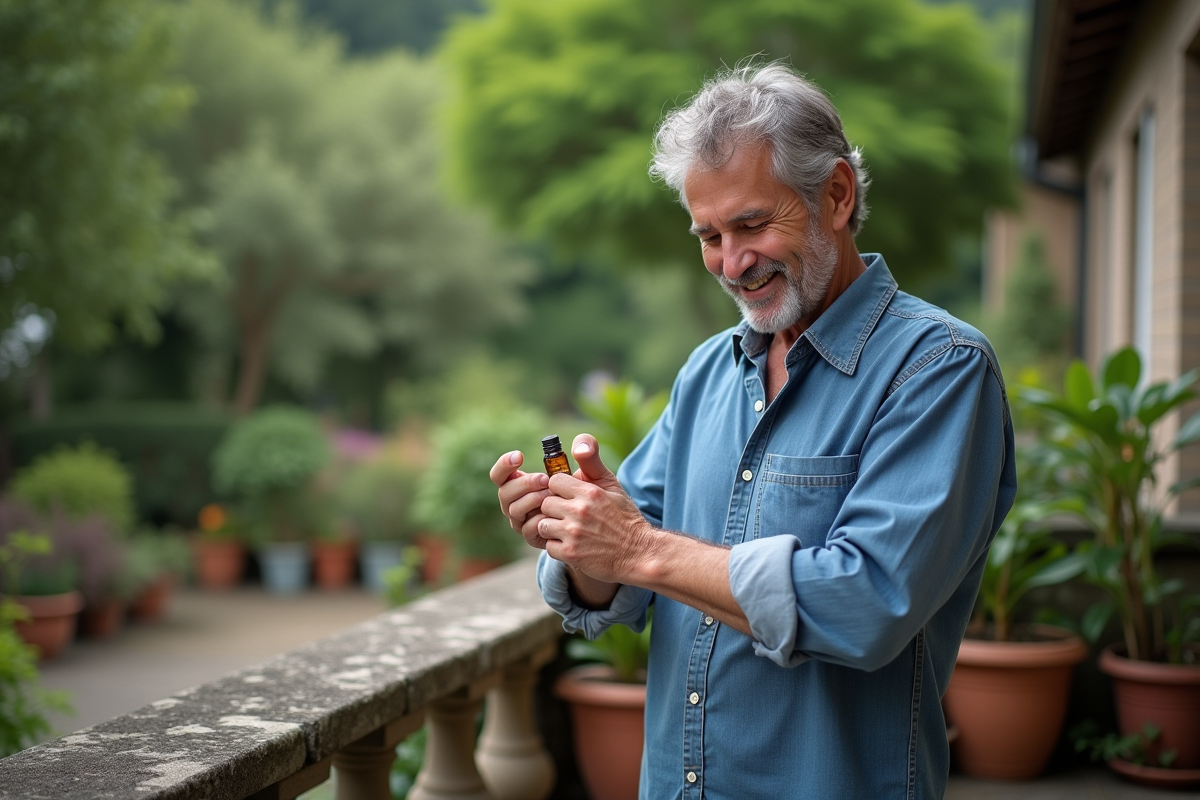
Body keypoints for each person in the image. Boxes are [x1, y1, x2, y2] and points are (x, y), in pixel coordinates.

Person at [490, 62, 1016, 800]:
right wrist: (578, 536)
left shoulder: (941, 368)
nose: (731, 264)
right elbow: (621, 589)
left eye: (751, 224)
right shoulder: (707, 370)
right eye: (707, 235)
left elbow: (867, 603)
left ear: (836, 194)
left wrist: (638, 546)